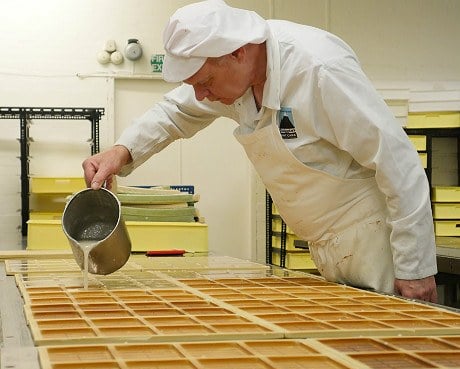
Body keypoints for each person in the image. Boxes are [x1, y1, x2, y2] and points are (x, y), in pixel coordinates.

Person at [82, 0, 438, 302]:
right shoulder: (234, 80)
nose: (201, 96)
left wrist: (415, 267)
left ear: (238, 51)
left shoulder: (319, 69)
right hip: (325, 244)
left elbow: (398, 161)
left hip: (376, 243)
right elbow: (174, 111)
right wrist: (121, 151)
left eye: (204, 82)